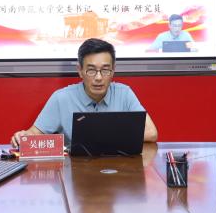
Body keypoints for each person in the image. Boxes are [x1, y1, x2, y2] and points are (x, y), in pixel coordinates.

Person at [11, 38, 158, 146]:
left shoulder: (124, 93)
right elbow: (33, 134)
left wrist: (99, 137)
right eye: (91, 70)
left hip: (118, 170)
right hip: (75, 172)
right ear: (80, 71)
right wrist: (23, 136)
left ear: (113, 71)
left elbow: (151, 133)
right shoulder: (61, 98)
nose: (98, 77)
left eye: (105, 70)